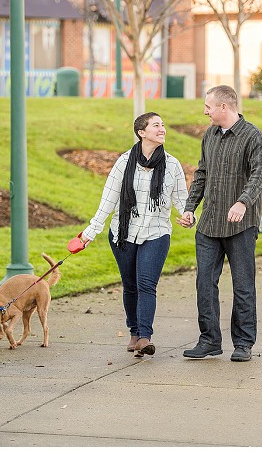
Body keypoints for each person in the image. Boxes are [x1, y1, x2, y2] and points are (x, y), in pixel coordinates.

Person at [80, 112, 189, 357]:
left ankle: (144, 337)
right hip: (123, 233)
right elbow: (108, 200)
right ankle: (133, 331)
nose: (162, 129)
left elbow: (182, 200)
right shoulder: (124, 162)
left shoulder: (172, 164)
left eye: (163, 125)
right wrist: (89, 232)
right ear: (142, 132)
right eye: (156, 125)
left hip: (157, 233)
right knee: (130, 285)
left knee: (146, 284)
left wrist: (187, 215)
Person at [178, 85, 262, 362]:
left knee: (243, 286)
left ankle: (243, 343)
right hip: (209, 224)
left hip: (241, 226)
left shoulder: (253, 137)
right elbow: (202, 173)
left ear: (224, 108)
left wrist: (242, 202)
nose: (205, 111)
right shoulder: (210, 135)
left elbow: (258, 176)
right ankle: (209, 341)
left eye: (208, 106)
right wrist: (190, 209)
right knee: (204, 283)